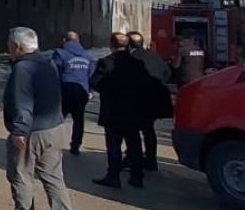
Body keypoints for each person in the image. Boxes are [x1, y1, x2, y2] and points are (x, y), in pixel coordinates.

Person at [0, 27, 80, 210]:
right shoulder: (48, 62)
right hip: (54, 128)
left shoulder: (23, 68)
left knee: (20, 173)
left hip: (33, 130)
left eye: (8, 44)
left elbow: (22, 102)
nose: (7, 48)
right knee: (53, 178)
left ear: (17, 46)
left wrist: (19, 131)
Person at [90, 32, 152, 188]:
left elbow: (96, 83)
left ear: (112, 45)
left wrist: (111, 90)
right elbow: (146, 84)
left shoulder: (106, 62)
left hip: (113, 109)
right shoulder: (137, 63)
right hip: (133, 109)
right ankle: (137, 176)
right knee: (134, 143)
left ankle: (113, 176)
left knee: (114, 145)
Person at [128, 31, 173, 172]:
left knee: (132, 131)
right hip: (155, 100)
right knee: (148, 130)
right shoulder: (155, 56)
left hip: (136, 100)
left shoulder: (131, 58)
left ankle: (133, 159)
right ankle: (151, 160)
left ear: (129, 45)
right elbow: (168, 73)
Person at [53, 31, 95, 155]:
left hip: (64, 91)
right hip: (81, 92)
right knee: (79, 120)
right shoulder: (87, 56)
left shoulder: (60, 54)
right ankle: (75, 146)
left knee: (57, 119)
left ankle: (53, 144)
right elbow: (91, 76)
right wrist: (90, 91)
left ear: (64, 41)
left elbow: (53, 72)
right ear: (78, 41)